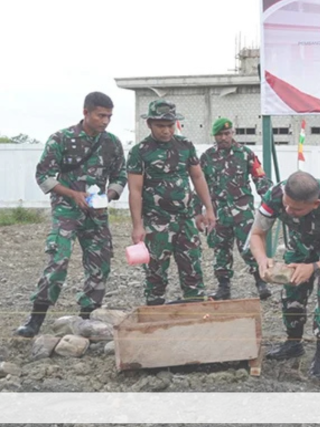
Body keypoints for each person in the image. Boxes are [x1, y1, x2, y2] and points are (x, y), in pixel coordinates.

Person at [15, 92, 127, 337]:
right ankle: (35, 319)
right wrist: (72, 194)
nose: (105, 121)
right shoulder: (61, 139)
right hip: (66, 209)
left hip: (96, 213)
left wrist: (108, 196)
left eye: (109, 116)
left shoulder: (112, 143)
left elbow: (120, 175)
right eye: (101, 115)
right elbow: (43, 175)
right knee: (58, 259)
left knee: (100, 262)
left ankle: (88, 316)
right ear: (86, 112)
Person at [249, 171, 320, 382]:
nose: (288, 211)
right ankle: (293, 342)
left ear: (315, 204)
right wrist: (262, 259)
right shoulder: (274, 195)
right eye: (286, 204)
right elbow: (256, 234)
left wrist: (314, 268)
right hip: (300, 241)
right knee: (291, 289)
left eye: (297, 209)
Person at [127, 100, 216, 305]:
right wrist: (137, 226)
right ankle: (155, 313)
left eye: (170, 125)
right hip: (156, 222)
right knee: (155, 273)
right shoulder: (140, 151)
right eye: (160, 126)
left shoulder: (185, 146)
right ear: (149, 124)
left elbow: (197, 177)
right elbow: (135, 190)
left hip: (185, 220)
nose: (166, 131)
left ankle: (194, 311)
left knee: (193, 270)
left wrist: (209, 209)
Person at [194, 117, 273, 301]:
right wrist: (198, 211)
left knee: (250, 247)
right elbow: (199, 185)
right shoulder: (206, 157)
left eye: (227, 133)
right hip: (218, 211)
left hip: (242, 211)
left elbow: (260, 178)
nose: (224, 138)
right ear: (214, 136)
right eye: (220, 134)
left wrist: (270, 201)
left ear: (233, 133)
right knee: (220, 249)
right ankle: (223, 287)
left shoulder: (245, 154)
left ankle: (261, 282)